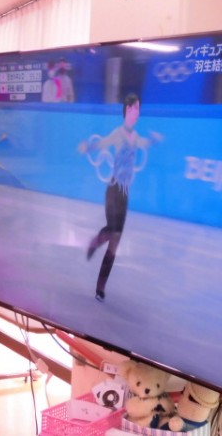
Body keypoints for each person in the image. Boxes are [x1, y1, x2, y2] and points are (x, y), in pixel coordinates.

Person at [77, 93, 162, 301]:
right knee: (112, 232)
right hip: (114, 190)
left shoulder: (135, 136)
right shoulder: (118, 133)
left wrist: (153, 140)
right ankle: (96, 241)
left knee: (115, 242)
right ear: (127, 110)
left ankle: (100, 287)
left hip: (124, 194)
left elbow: (142, 143)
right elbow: (103, 143)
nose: (138, 112)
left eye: (139, 108)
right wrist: (88, 147)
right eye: (135, 108)